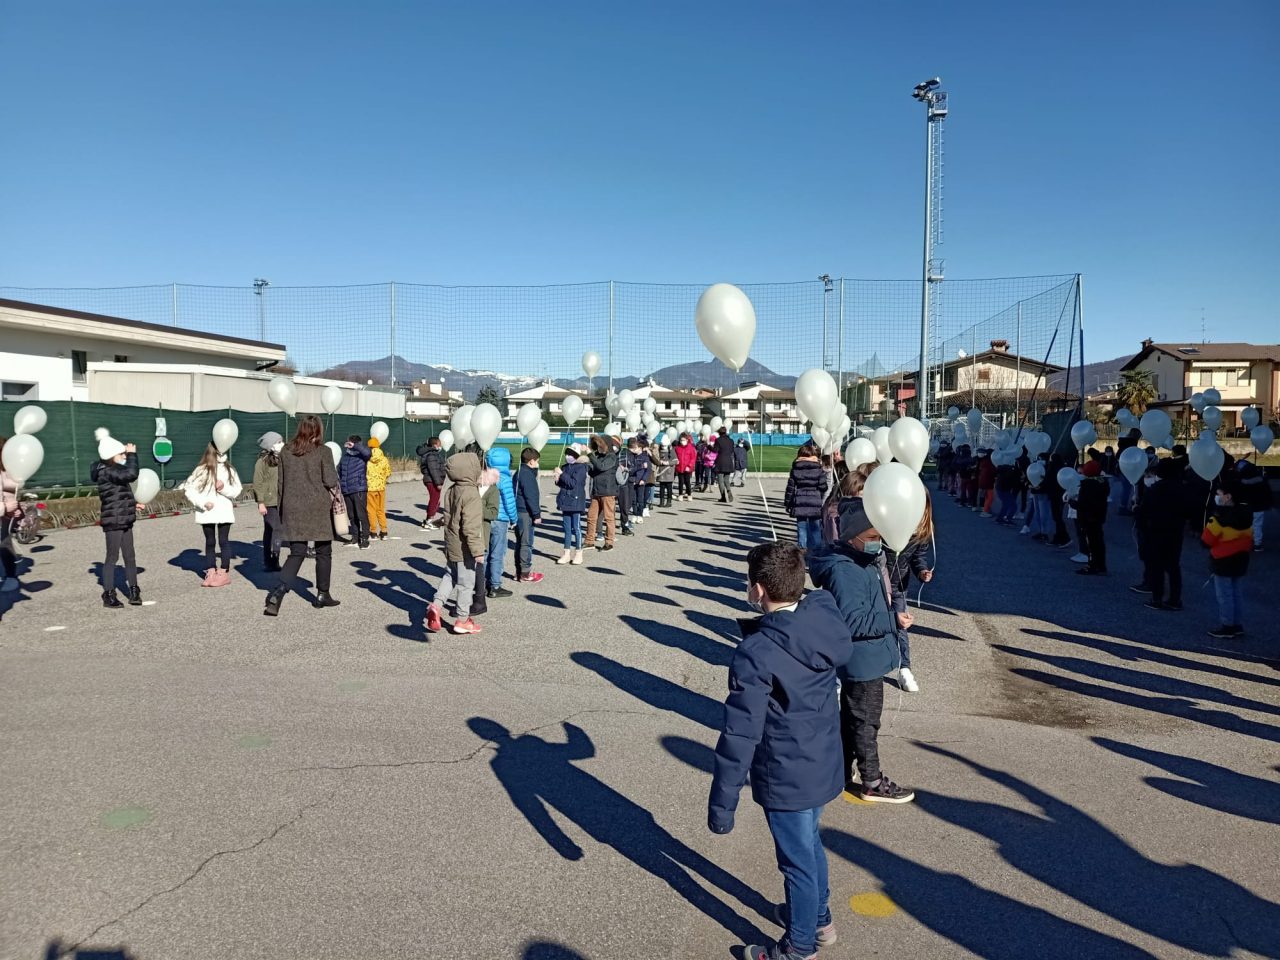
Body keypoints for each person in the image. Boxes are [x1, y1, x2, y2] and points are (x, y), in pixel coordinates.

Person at [707, 542, 851, 960]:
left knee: (797, 861)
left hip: (788, 773)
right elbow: (820, 589)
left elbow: (740, 732)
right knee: (808, 846)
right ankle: (817, 919)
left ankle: (800, 944)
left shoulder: (758, 651)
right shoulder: (822, 615)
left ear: (757, 591)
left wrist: (722, 803)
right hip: (822, 760)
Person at [808, 498, 914, 805]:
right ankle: (872, 780)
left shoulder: (861, 561)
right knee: (866, 721)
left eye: (879, 537)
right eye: (871, 538)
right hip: (862, 659)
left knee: (853, 718)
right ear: (852, 536)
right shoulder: (846, 570)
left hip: (868, 656)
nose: (877, 543)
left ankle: (840, 771)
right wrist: (893, 619)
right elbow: (853, 620)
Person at [265, 416, 342, 616]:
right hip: (317, 506)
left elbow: (280, 484)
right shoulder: (324, 451)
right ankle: (322, 594)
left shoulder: (286, 451)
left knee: (297, 552)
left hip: (292, 507)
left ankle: (279, 591)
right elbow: (330, 480)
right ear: (318, 430)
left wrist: (282, 510)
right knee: (324, 551)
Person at [425, 451, 486, 635]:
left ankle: (436, 605)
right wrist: (478, 551)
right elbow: (471, 526)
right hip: (464, 545)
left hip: (451, 541)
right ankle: (462, 619)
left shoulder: (452, 490)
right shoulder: (471, 494)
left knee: (450, 574)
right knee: (466, 582)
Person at [885, 495, 934, 693]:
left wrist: (922, 572)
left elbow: (917, 558)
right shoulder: (886, 520)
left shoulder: (919, 530)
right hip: (875, 582)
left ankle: (904, 667)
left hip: (898, 585)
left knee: (900, 626)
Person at [90, 428, 142, 607]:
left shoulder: (113, 471)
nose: (124, 456)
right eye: (122, 453)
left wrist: (133, 503)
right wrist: (133, 455)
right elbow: (132, 474)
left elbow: (120, 494)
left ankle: (134, 589)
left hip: (123, 517)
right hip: (114, 520)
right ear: (112, 455)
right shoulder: (107, 471)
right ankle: (108, 593)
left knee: (130, 555)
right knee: (112, 556)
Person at [181, 441, 243, 587]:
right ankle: (211, 571)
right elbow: (189, 489)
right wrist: (202, 503)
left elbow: (237, 490)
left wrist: (223, 488)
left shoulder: (229, 469)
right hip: (207, 511)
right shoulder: (201, 469)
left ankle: (223, 572)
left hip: (223, 511)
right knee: (210, 542)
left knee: (223, 541)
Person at [1201, 478, 1252, 638]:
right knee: (1236, 592)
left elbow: (1206, 541)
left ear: (1227, 496)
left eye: (1219, 493)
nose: (1217, 495)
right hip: (1241, 559)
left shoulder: (1218, 519)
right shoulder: (1246, 515)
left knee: (1224, 595)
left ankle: (1227, 625)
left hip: (1222, 561)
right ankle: (1237, 624)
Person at [1132, 458, 1184, 611]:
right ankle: (1175, 599)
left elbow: (1144, 513)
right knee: (1173, 567)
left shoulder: (1155, 490)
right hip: (1175, 532)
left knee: (1156, 567)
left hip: (1155, 532)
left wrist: (1136, 510)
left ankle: (1157, 597)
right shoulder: (1181, 488)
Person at [482, 447, 518, 598]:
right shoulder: (505, 478)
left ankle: (481, 583)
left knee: (484, 552)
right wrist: (514, 518)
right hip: (500, 518)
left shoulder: (483, 476)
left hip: (485, 518)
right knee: (497, 552)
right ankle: (495, 585)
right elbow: (509, 501)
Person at [784, 443, 828, 554]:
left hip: (800, 500)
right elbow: (823, 487)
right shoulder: (819, 469)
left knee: (801, 527)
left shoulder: (795, 469)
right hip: (815, 501)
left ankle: (802, 549)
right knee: (815, 527)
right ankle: (817, 550)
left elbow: (790, 488)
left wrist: (787, 503)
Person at [252, 432, 285, 570]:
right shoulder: (262, 462)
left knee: (279, 530)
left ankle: (275, 559)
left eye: (281, 441)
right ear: (270, 445)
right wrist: (260, 502)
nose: (281, 444)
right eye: (278, 442)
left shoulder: (284, 459)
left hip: (282, 500)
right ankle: (268, 560)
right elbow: (257, 482)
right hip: (269, 501)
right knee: (271, 529)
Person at [554, 445, 589, 565]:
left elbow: (573, 483)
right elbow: (563, 484)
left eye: (571, 454)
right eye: (567, 453)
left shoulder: (581, 468)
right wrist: (557, 479)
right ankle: (566, 553)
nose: (568, 456)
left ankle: (579, 553)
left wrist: (562, 475)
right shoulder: (564, 467)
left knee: (576, 528)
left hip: (575, 500)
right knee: (566, 528)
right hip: (565, 500)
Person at [514, 446, 545, 582]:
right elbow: (531, 496)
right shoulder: (527, 475)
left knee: (520, 542)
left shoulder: (520, 471)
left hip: (519, 511)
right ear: (532, 461)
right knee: (526, 543)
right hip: (525, 512)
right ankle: (525, 572)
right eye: (536, 461)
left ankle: (519, 571)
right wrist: (537, 515)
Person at [1074, 457, 1110, 575]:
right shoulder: (1103, 483)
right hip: (1098, 516)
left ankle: (1092, 565)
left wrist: (1071, 502)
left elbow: (1083, 504)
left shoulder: (1088, 485)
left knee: (1091, 543)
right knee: (1099, 541)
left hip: (1087, 517)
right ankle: (1101, 565)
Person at [339, 434, 371, 548]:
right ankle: (355, 537)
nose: (347, 444)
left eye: (350, 442)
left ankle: (365, 538)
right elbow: (340, 471)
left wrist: (356, 446)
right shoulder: (346, 456)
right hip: (347, 490)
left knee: (361, 515)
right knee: (352, 516)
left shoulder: (362, 455)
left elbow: (368, 453)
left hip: (359, 489)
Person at [477, 466, 502, 606]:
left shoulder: (493, 490)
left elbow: (493, 513)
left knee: (481, 560)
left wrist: (478, 504)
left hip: (482, 532)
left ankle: (481, 591)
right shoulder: (471, 487)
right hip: (469, 531)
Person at [1235, 458, 1271, 552]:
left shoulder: (1240, 480)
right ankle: (1257, 544)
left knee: (1245, 525)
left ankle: (1245, 542)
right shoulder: (1261, 479)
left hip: (1245, 506)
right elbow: (1267, 493)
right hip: (1259, 506)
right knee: (1257, 525)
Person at [1, 438, 21, 593]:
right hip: (4, 510)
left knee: (4, 544)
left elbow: (16, 486)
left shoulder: (8, 469)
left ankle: (10, 576)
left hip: (6, 515)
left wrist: (14, 507)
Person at [417, 436, 447, 528]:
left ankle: (427, 520)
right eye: (439, 444)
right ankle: (429, 521)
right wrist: (438, 483)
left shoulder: (433, 454)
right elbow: (433, 470)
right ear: (435, 444)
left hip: (433, 480)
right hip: (432, 481)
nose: (440, 445)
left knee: (436, 500)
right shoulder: (431, 455)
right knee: (434, 500)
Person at [365, 437, 392, 541]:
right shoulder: (384, 458)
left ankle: (373, 532)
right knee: (380, 509)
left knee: (371, 510)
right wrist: (383, 478)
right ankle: (384, 531)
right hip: (381, 487)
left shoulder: (367, 459)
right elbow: (388, 472)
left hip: (370, 488)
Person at [714, 426, 736, 503]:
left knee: (720, 480)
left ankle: (723, 497)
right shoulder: (731, 441)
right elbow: (732, 450)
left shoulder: (718, 440)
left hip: (720, 461)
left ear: (719, 433)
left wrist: (709, 446)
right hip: (729, 461)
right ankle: (729, 490)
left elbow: (715, 450)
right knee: (726, 480)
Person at [674, 431, 696, 501]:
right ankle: (680, 495)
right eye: (681, 440)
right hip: (680, 467)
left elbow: (693, 458)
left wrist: (689, 466)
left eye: (683, 440)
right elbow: (675, 457)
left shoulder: (691, 448)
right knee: (680, 482)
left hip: (687, 468)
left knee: (687, 481)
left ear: (687, 440)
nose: (682, 441)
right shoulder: (677, 448)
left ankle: (689, 494)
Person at [654, 441, 675, 508]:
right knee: (661, 488)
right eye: (662, 446)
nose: (663, 447)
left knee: (669, 488)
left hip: (668, 472)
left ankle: (669, 502)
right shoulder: (659, 451)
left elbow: (676, 461)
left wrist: (668, 463)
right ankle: (661, 502)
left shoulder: (671, 451)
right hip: (661, 472)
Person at [975, 448, 995, 517]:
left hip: (983, 481)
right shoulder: (991, 462)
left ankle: (986, 509)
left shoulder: (983, 460)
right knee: (990, 497)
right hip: (988, 482)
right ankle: (985, 511)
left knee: (986, 496)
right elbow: (993, 472)